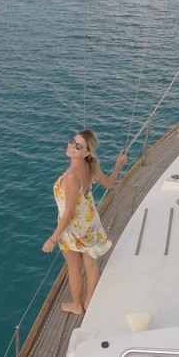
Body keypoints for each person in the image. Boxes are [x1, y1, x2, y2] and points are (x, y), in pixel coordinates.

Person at [41, 129, 127, 315]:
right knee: (91, 264)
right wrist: (118, 165)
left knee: (74, 268)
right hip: (89, 222)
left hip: (73, 229)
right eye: (72, 141)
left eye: (78, 146)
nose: (72, 146)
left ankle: (77, 305)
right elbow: (109, 183)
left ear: (86, 152)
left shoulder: (72, 176)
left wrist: (52, 239)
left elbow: (69, 212)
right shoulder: (90, 166)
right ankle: (89, 302)